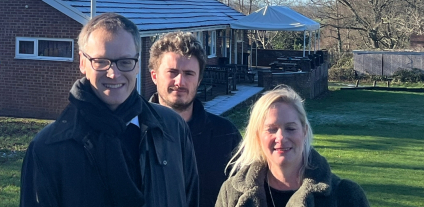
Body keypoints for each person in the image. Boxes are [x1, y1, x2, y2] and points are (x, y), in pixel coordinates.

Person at [20, 12, 199, 207]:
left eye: (125, 62)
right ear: (82, 62)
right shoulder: (48, 147)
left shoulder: (172, 129)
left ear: (137, 64)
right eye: (101, 62)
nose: (114, 74)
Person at [216, 85, 370, 207]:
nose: (281, 138)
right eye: (271, 129)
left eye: (290, 128)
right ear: (257, 136)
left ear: (304, 132)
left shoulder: (345, 195)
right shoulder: (231, 193)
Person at [149, 32, 242, 207]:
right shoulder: (133, 133)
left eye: (189, 73)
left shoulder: (226, 135)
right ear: (154, 76)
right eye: (172, 72)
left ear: (199, 79)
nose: (180, 81)